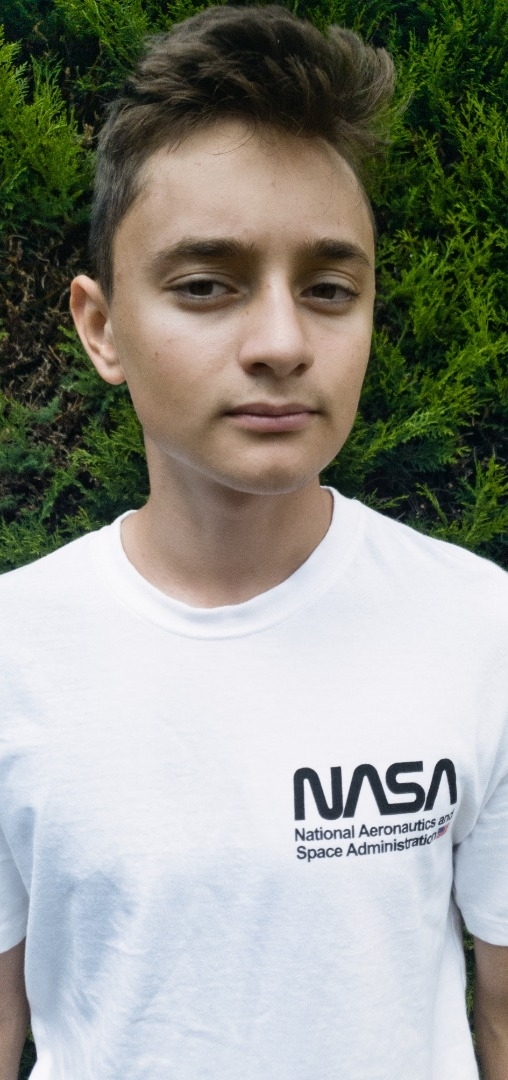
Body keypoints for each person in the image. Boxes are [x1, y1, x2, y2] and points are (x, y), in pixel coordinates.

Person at [0, 6, 507, 1078]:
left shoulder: (480, 629)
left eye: (329, 290)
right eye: (205, 286)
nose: (281, 342)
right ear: (101, 326)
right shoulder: (14, 651)